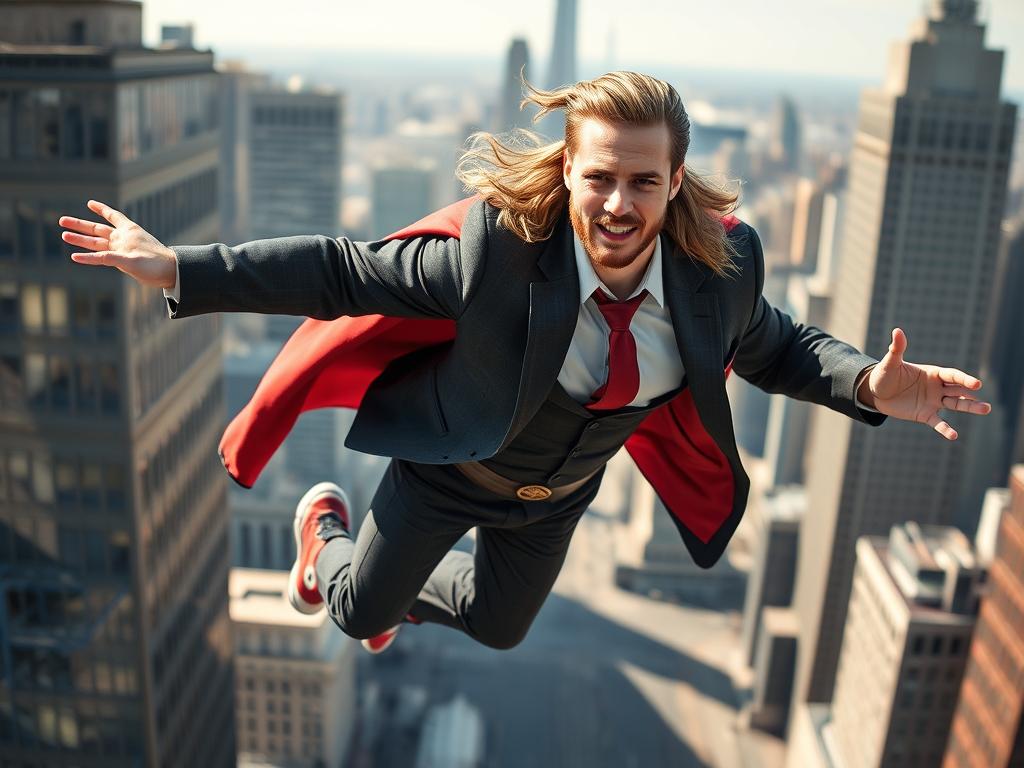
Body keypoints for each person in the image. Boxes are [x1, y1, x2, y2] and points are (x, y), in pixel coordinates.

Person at [59, 72, 990, 655]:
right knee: (349, 611)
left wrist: (869, 381)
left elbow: (779, 348)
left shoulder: (721, 271)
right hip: (447, 473)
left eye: (642, 181)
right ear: (569, 174)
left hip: (557, 498)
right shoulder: (497, 254)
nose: (618, 205)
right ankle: (324, 531)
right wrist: (180, 265)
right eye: (599, 177)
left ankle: (392, 583)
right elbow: (344, 270)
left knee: (502, 631)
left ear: (676, 183)